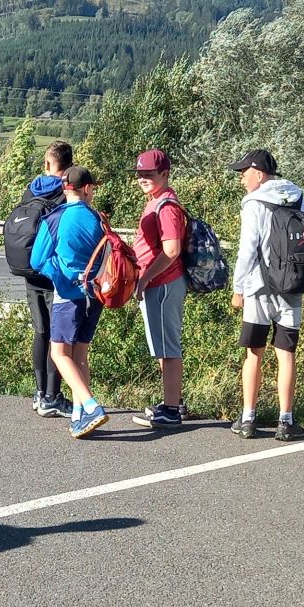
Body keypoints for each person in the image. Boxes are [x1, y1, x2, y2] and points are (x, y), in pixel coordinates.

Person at [229, 149, 304, 440]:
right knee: (286, 355)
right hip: (291, 286)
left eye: (244, 173)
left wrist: (238, 288)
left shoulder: (253, 203)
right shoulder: (298, 197)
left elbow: (248, 249)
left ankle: (248, 418)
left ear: (260, 174)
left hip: (258, 287)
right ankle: (286, 422)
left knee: (254, 353)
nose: (242, 179)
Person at [31, 165, 109, 438]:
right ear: (86, 188)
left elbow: (36, 260)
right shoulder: (98, 218)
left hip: (67, 296)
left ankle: (91, 407)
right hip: (95, 296)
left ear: (66, 189)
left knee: (59, 354)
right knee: (79, 356)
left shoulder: (55, 218)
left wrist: (57, 272)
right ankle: (79, 416)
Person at [12, 140, 74, 417]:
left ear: (46, 164)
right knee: (57, 335)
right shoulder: (65, 191)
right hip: (53, 271)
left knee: (40, 331)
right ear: (69, 165)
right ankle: (53, 396)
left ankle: (39, 393)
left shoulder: (31, 190)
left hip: (30, 269)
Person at [130, 149, 188, 429]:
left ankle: (172, 410)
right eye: (139, 174)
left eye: (148, 174)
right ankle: (172, 400)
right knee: (163, 346)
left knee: (169, 348)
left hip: (163, 284)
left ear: (164, 174)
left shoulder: (166, 207)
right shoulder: (156, 201)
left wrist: (145, 278)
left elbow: (172, 250)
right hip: (159, 283)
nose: (142, 178)